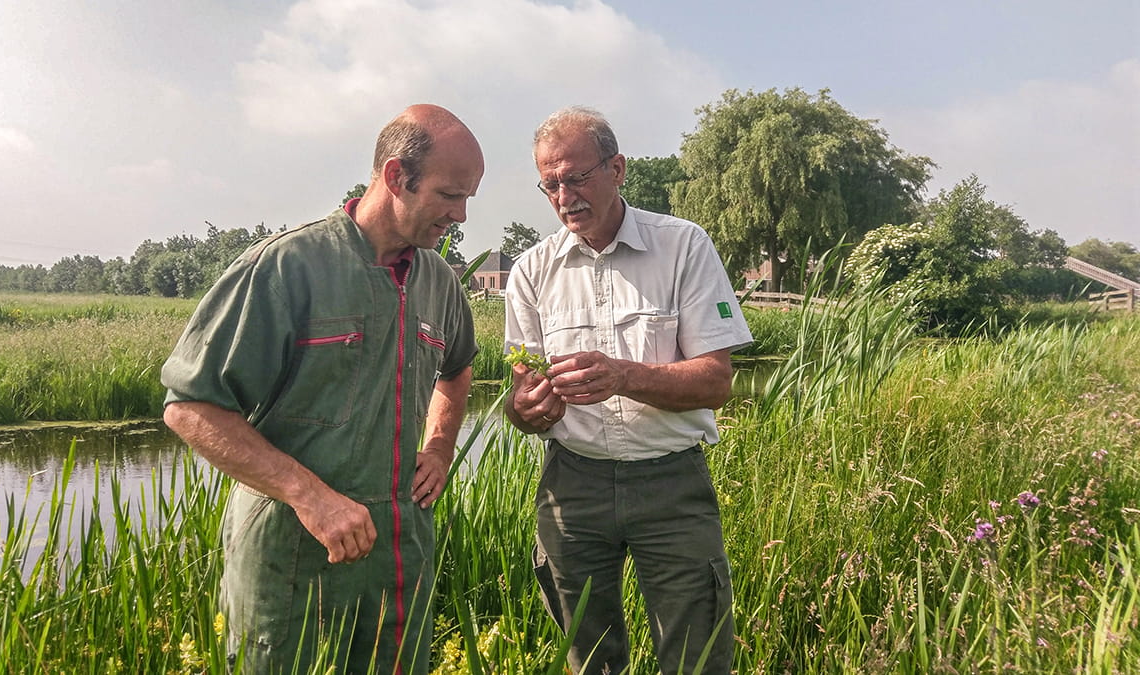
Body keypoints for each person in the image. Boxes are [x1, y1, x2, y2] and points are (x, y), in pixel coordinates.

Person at [161, 103, 483, 674]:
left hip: (399, 559)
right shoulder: (287, 266)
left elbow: (457, 370)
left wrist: (438, 445)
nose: (460, 215)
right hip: (292, 561)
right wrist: (310, 496)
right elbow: (192, 409)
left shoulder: (439, 282)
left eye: (467, 199)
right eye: (448, 195)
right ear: (394, 176)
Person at [503, 106, 751, 674]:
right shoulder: (531, 271)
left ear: (617, 168)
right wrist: (528, 409)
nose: (564, 194)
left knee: (698, 656)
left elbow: (716, 381)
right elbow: (522, 404)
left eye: (577, 176)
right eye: (551, 183)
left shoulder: (682, 246)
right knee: (589, 660)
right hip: (573, 484)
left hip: (670, 483)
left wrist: (623, 376)